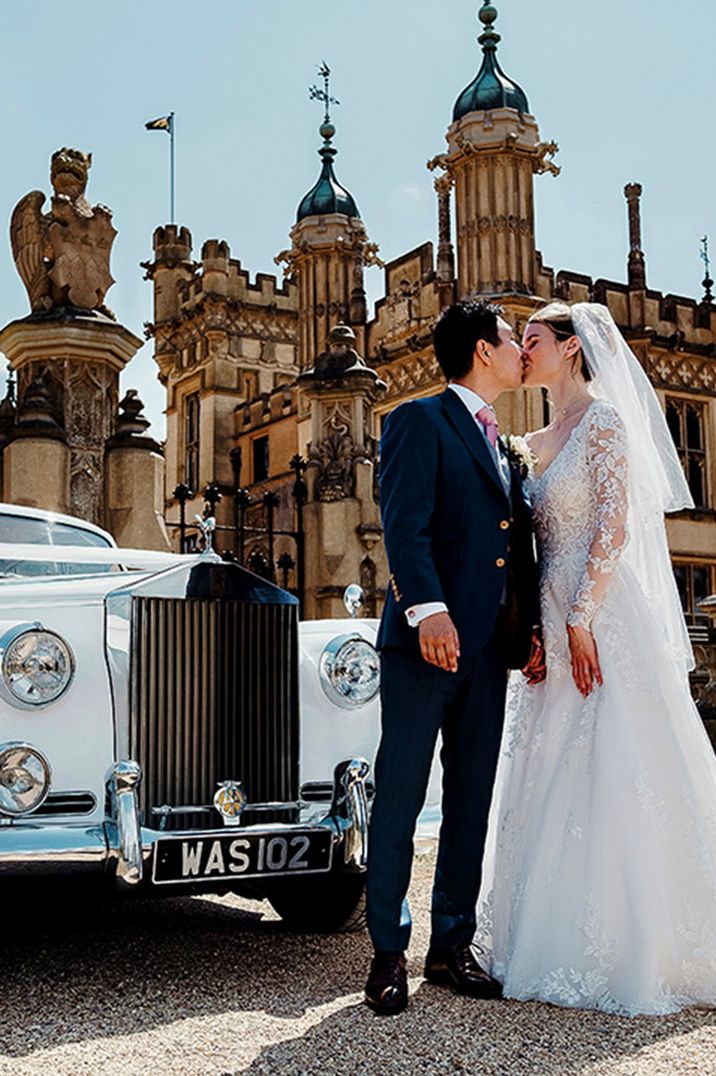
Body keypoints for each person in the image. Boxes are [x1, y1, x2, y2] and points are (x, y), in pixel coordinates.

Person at [476, 300, 716, 1015]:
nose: (523, 348)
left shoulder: (605, 422)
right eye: (519, 338)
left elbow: (613, 525)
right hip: (548, 619)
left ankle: (638, 943)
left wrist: (580, 619)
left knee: (620, 759)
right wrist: (539, 628)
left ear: (573, 350)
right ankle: (544, 932)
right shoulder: (531, 439)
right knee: (550, 768)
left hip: (602, 614)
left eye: (534, 338)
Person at [364, 299, 543, 1016]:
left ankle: (449, 947)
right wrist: (426, 609)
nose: (520, 349)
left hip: (488, 654)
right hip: (423, 646)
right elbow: (403, 524)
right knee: (402, 798)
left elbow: (516, 550)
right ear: (481, 349)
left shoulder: (508, 447)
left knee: (470, 802)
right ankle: (386, 953)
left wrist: (526, 629)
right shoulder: (419, 420)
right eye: (510, 337)